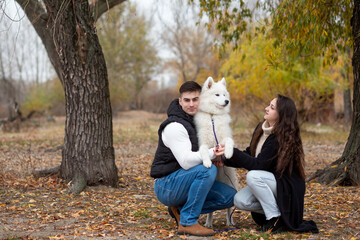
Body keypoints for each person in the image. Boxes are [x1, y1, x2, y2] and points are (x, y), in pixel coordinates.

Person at [214, 94, 319, 233]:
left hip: (285, 185)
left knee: (253, 175)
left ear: (281, 114)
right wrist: (225, 157)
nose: (266, 108)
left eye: (272, 107)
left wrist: (232, 151)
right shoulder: (261, 129)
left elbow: (258, 165)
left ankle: (274, 218)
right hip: (268, 182)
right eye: (269, 105)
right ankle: (281, 213)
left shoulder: (280, 137)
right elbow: (250, 154)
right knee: (240, 200)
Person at [150, 81, 237, 237]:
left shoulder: (199, 120)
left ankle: (181, 210)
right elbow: (186, 161)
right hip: (167, 185)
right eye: (187, 100)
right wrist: (213, 153)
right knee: (207, 169)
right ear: (180, 101)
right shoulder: (174, 126)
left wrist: (218, 154)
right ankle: (188, 222)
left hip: (187, 179)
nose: (191, 104)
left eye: (195, 99)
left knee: (230, 196)